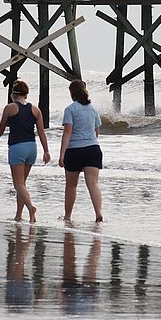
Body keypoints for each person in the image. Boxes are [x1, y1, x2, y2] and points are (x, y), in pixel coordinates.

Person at [0, 80, 51, 222]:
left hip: (17, 148)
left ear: (14, 94)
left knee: (18, 184)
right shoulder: (35, 110)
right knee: (22, 184)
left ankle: (31, 207)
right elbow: (41, 132)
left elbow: (1, 127)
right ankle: (19, 215)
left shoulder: (10, 108)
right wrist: (46, 151)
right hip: (32, 147)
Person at [58, 79, 103, 222]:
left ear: (72, 94)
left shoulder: (70, 109)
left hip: (75, 150)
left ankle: (68, 216)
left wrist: (62, 154)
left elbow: (67, 133)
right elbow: (97, 131)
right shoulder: (93, 109)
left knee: (71, 185)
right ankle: (98, 213)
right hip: (93, 149)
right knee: (93, 183)